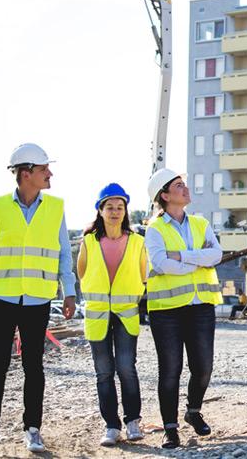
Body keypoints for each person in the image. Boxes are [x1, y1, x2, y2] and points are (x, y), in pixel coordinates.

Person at [0, 143, 77, 455]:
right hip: (1, 297)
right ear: (26, 173)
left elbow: (64, 255)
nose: (50, 174)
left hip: (38, 298)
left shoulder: (55, 207)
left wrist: (69, 292)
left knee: (34, 365)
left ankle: (33, 430)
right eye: (45, 169)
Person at [144, 168, 222, 449]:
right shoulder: (154, 230)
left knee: (203, 367)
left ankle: (193, 411)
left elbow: (216, 255)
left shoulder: (201, 223)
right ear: (164, 195)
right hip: (166, 311)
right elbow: (160, 263)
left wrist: (183, 256)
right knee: (170, 370)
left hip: (200, 305)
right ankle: (170, 428)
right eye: (178, 185)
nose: (185, 188)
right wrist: (197, 260)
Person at [77, 183, 148, 447]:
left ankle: (132, 422)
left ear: (125, 210)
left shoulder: (138, 241)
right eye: (110, 207)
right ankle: (111, 426)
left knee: (126, 369)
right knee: (104, 372)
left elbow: (143, 275)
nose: (115, 211)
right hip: (97, 316)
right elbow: (82, 273)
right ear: (100, 210)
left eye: (120, 207)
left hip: (126, 315)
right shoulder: (88, 241)